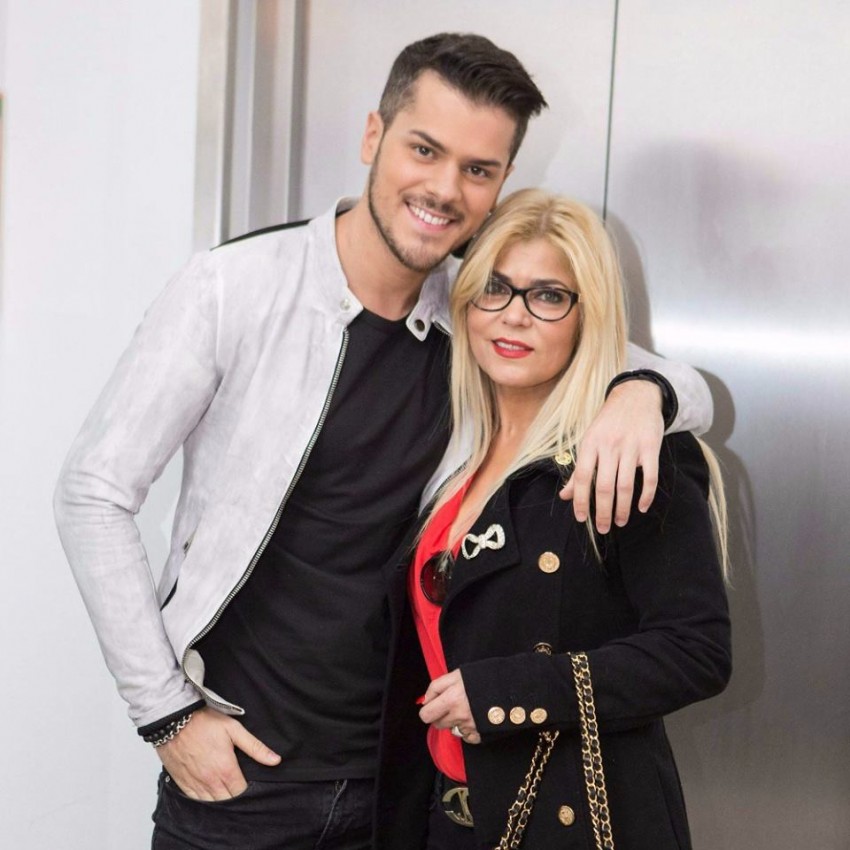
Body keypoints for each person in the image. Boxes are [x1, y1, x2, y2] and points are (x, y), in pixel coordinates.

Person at [54, 34, 713, 850]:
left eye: (478, 169)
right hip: (242, 783)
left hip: (400, 788)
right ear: (374, 136)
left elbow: (655, 372)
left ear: (501, 181)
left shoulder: (476, 313)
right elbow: (93, 490)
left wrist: (645, 394)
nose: (444, 189)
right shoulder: (235, 290)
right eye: (424, 150)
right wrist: (164, 713)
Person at [378, 188, 731, 850]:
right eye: (495, 288)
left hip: (567, 820)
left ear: (586, 316)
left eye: (547, 296)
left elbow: (697, 652)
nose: (513, 316)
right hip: (444, 819)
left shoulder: (625, 452)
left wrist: (510, 691)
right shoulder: (452, 449)